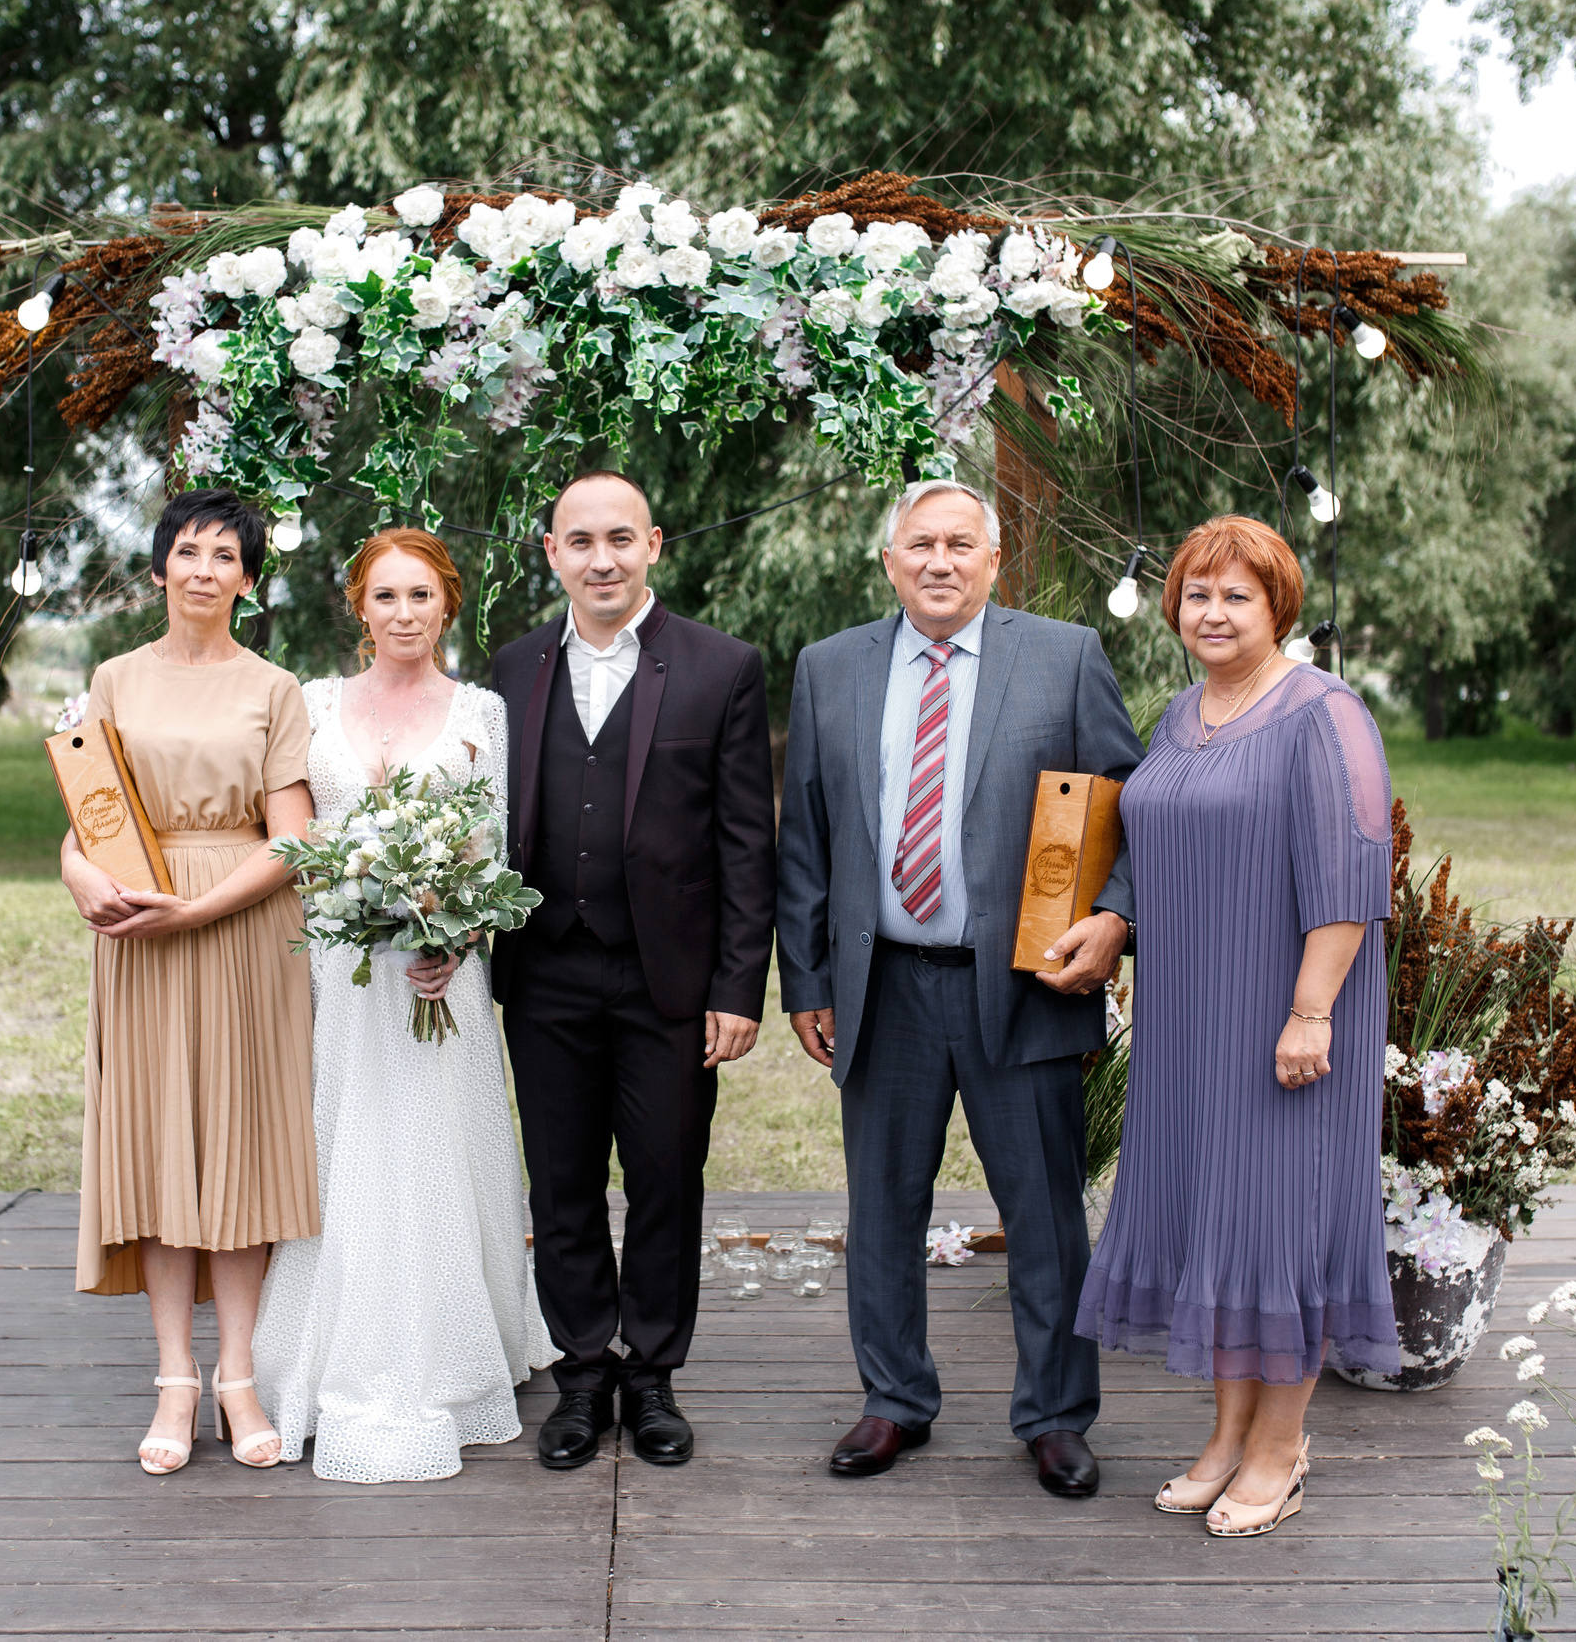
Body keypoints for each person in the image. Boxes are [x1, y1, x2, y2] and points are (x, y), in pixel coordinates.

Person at [776, 479, 1140, 1499]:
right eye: (918, 544)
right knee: (883, 1208)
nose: (939, 561)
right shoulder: (829, 669)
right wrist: (807, 977)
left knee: (1044, 1212)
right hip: (882, 987)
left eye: (959, 544)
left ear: (993, 561)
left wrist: (1114, 920)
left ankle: (1057, 1416)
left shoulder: (1062, 658)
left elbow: (1131, 806)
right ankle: (893, 1401)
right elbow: (804, 838)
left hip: (1022, 987)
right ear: (888, 561)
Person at [1073, 515, 1395, 1537]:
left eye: (1236, 596)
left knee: (1277, 1227)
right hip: (1188, 1018)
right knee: (1217, 1219)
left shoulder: (1322, 712)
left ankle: (1279, 1448)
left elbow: (1350, 875)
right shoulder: (1180, 714)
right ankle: (1224, 1438)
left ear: (1277, 606)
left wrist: (1310, 1012)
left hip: (1285, 1019)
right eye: (1197, 595)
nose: (1213, 613)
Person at [255, 529, 560, 1482]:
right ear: (357, 605)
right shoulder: (311, 704)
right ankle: (342, 1343)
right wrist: (361, 905)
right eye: (384, 596)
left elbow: (492, 843)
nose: (403, 614)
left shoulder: (483, 709)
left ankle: (457, 1344)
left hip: (442, 971)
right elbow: (300, 842)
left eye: (420, 596)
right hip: (346, 970)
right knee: (352, 1142)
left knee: (438, 1145)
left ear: (447, 604)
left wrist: (456, 936)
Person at [488, 470, 777, 1473]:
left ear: (653, 543)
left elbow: (747, 844)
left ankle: (650, 1375)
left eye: (620, 538)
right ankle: (579, 1375)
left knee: (663, 1179)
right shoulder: (511, 667)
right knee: (560, 1184)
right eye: (580, 541)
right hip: (545, 976)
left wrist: (738, 989)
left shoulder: (720, 668)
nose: (601, 558)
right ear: (551, 552)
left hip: (670, 984)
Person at [63, 487, 319, 1477]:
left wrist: (200, 910)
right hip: (136, 922)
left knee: (241, 1148)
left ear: (247, 580)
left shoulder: (274, 688)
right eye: (188, 551)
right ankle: (175, 1379)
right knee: (164, 1146)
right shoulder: (114, 678)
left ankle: (237, 1376)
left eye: (225, 555)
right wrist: (81, 874)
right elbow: (87, 820)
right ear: (161, 568)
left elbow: (293, 838)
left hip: (243, 924)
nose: (204, 568)